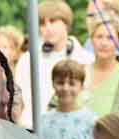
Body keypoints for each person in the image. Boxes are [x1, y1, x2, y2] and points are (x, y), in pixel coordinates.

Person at [14, 0, 93, 129]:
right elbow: (18, 97)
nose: (47, 28)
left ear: (66, 24)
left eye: (53, 21)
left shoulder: (85, 59)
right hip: (30, 129)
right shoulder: (27, 59)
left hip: (70, 130)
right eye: (42, 24)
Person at [37, 59, 96, 139]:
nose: (65, 88)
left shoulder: (91, 120)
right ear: (53, 84)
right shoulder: (43, 120)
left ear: (81, 86)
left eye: (72, 84)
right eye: (60, 83)